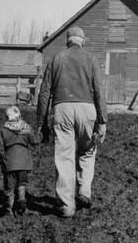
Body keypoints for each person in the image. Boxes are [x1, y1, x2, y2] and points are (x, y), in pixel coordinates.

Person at [37, 26, 107, 217]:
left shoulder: (56, 59)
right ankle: (84, 189)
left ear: (67, 41)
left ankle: (67, 206)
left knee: (65, 156)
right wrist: (102, 121)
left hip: (62, 109)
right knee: (88, 150)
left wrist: (42, 122)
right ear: (82, 41)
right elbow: (99, 91)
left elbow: (44, 93)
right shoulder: (91, 59)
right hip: (87, 109)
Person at [0, 105, 39, 215]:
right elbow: (34, 141)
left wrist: (0, 159)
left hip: (10, 161)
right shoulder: (26, 127)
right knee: (22, 183)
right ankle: (22, 202)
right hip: (24, 161)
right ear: (19, 115)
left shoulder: (4, 130)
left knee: (9, 187)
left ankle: (9, 208)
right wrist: (40, 135)